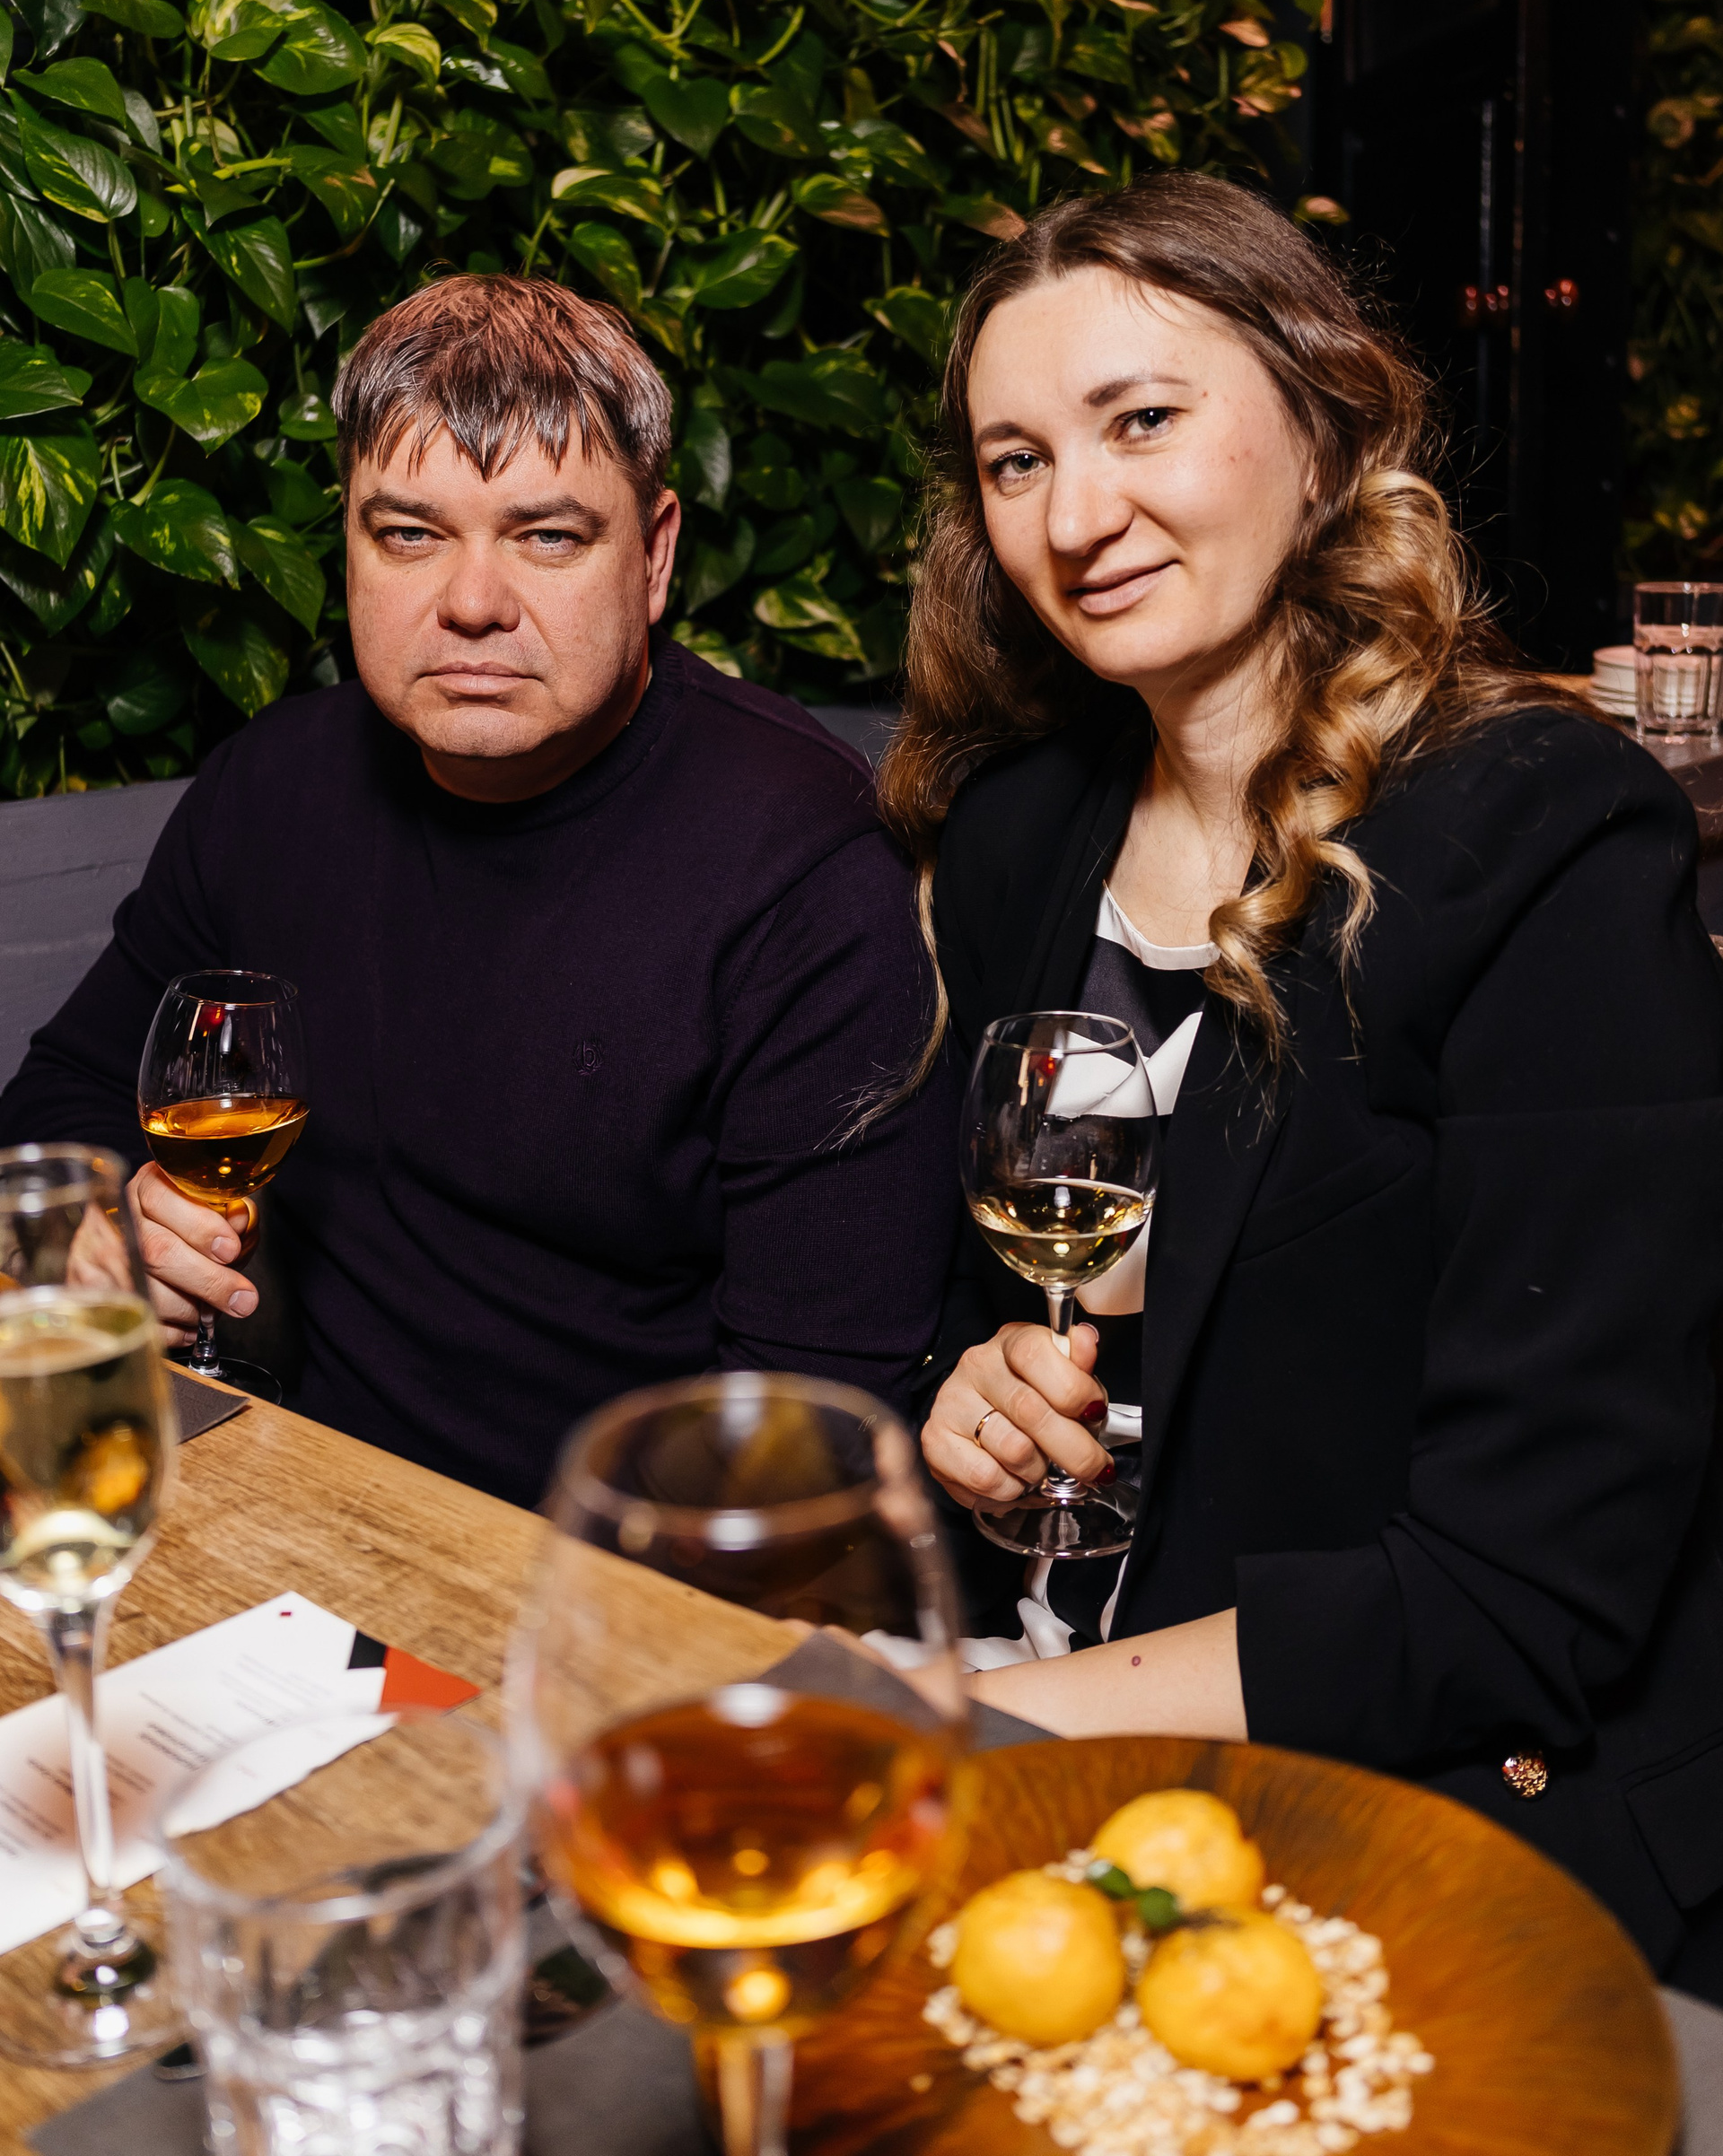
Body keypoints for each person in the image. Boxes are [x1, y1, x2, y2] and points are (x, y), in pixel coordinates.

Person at [879, 174, 1723, 1994]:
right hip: (1082, 1733)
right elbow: (1000, 1323)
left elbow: (1525, 1595)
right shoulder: (1023, 835)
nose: (1074, 518)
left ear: (1326, 428)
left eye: (1141, 421)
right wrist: (978, 1406)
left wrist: (974, 1718)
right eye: (1017, 462)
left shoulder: (1546, 844)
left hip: (1451, 1815)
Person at [0, 273, 957, 1506]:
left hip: (611, 1560)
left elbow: (811, 1427)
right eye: (410, 534)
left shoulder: (813, 874)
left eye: (548, 537)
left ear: (655, 555)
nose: (470, 604)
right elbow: (60, 1101)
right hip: (270, 1485)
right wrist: (96, 1229)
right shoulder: (274, 785)